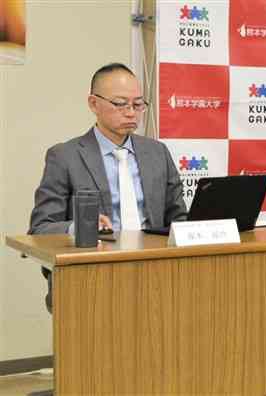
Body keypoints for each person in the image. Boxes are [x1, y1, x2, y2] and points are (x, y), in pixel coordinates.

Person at [28, 63, 187, 312]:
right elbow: (40, 228)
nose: (131, 113)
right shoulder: (65, 156)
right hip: (92, 274)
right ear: (94, 104)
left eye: (137, 104)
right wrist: (79, 226)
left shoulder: (157, 152)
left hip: (157, 272)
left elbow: (178, 218)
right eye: (120, 104)